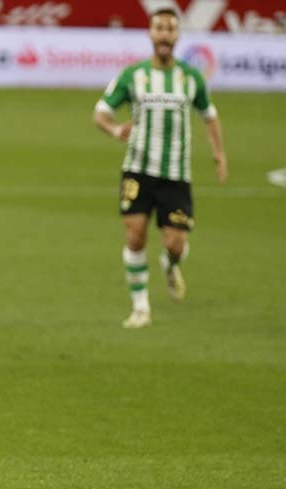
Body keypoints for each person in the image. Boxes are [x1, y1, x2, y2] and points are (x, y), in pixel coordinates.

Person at [93, 7, 227, 328]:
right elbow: (100, 112)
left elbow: (209, 115)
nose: (164, 34)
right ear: (150, 34)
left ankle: (170, 264)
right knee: (135, 235)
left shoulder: (191, 78)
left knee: (175, 244)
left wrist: (219, 153)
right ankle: (141, 308)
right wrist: (114, 130)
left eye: (170, 28)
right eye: (159, 28)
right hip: (137, 170)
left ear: (177, 35)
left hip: (176, 175)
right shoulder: (132, 75)